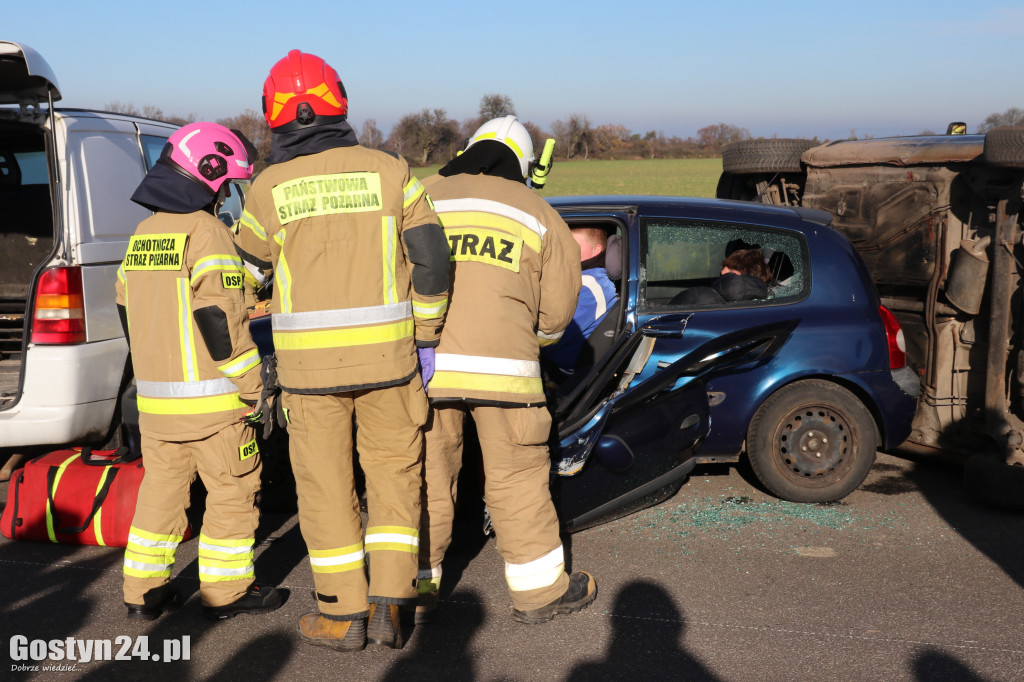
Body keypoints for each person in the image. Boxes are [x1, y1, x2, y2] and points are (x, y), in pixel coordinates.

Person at [234, 49, 450, 651]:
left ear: (274, 114)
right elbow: (432, 259)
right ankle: (392, 606)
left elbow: (245, 274)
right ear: (339, 101)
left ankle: (341, 613)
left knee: (325, 490)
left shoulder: (267, 187)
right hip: (391, 365)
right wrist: (427, 337)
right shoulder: (391, 171)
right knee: (395, 481)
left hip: (308, 375)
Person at [417, 115, 597, 625]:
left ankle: (413, 584)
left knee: (425, 475)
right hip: (508, 376)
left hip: (426, 368)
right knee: (517, 477)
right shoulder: (539, 212)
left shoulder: (423, 195)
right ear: (522, 164)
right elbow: (558, 314)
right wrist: (527, 343)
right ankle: (539, 593)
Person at [116, 122, 282, 622]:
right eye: (227, 184)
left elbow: (127, 308)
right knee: (233, 491)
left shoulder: (143, 234)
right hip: (214, 408)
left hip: (157, 405)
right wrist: (254, 387)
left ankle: (143, 591)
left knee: (161, 494)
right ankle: (226, 592)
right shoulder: (208, 232)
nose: (227, 194)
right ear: (208, 176)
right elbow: (220, 320)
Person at [542, 226, 618, 378]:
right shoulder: (579, 279)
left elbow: (551, 335)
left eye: (573, 245)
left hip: (561, 372)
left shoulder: (589, 288)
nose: (565, 250)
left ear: (596, 250)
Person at [670, 247, 771, 305]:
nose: (722, 274)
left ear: (738, 276)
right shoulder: (772, 308)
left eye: (728, 275)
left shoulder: (698, 298)